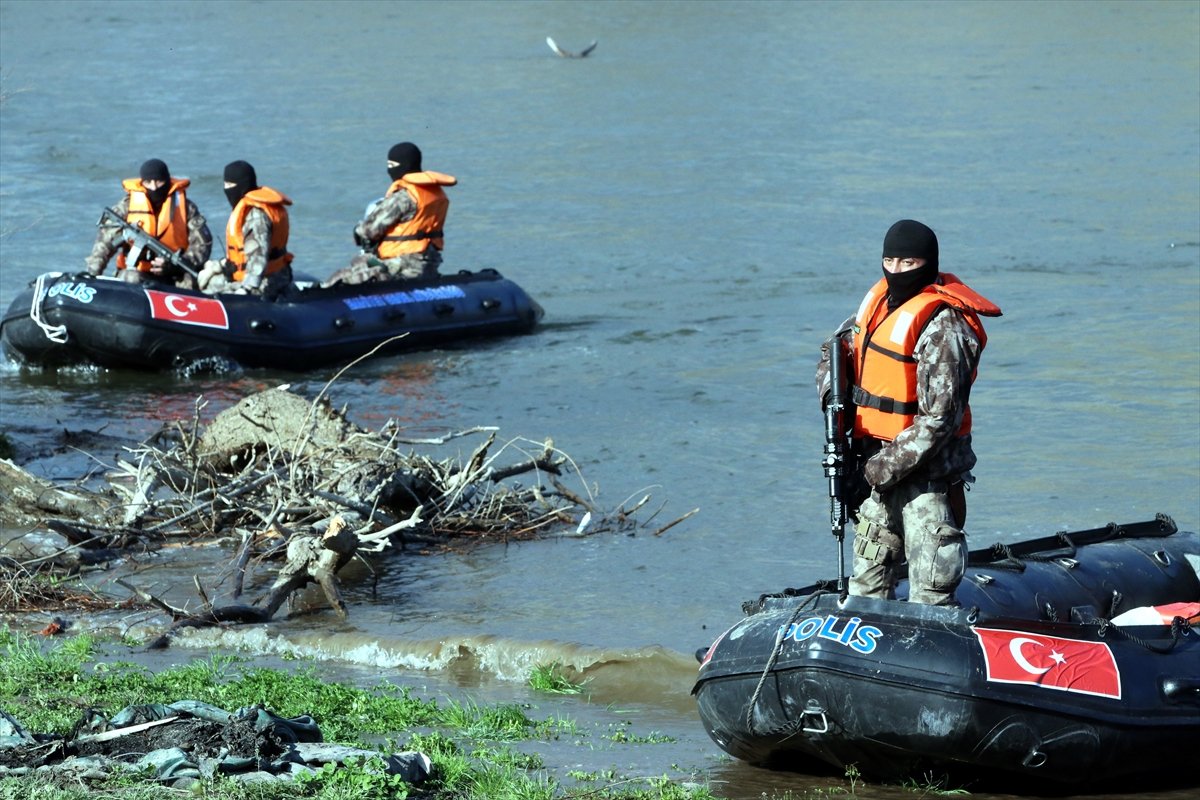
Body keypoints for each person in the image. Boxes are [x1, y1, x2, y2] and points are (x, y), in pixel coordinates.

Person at [815, 220, 1001, 606]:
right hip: (874, 471)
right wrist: (834, 399)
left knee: (930, 593)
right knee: (865, 587)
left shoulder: (945, 327)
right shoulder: (878, 305)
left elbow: (938, 421)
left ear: (929, 264)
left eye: (908, 262)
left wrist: (874, 472)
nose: (897, 271)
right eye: (890, 261)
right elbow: (832, 353)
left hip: (926, 483)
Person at [323, 142, 456, 286]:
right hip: (429, 263)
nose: (390, 170)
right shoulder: (437, 193)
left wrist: (357, 231)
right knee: (362, 261)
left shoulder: (404, 197)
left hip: (402, 266)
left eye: (391, 165)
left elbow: (368, 231)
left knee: (340, 278)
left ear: (403, 165)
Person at [85, 158, 212, 287]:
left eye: (159, 182)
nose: (154, 187)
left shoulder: (186, 208)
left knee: (191, 281)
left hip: (175, 275)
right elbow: (104, 244)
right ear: (142, 182)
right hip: (138, 274)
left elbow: (202, 246)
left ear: (167, 181)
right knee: (130, 277)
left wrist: (176, 265)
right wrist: (91, 275)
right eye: (148, 182)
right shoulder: (126, 207)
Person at [197, 161, 294, 299]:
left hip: (265, 282)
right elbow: (243, 252)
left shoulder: (256, 216)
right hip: (262, 275)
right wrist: (220, 266)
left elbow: (258, 257)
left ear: (243, 185)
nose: (227, 189)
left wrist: (247, 289)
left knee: (206, 293)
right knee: (205, 282)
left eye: (231, 186)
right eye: (225, 185)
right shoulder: (249, 209)